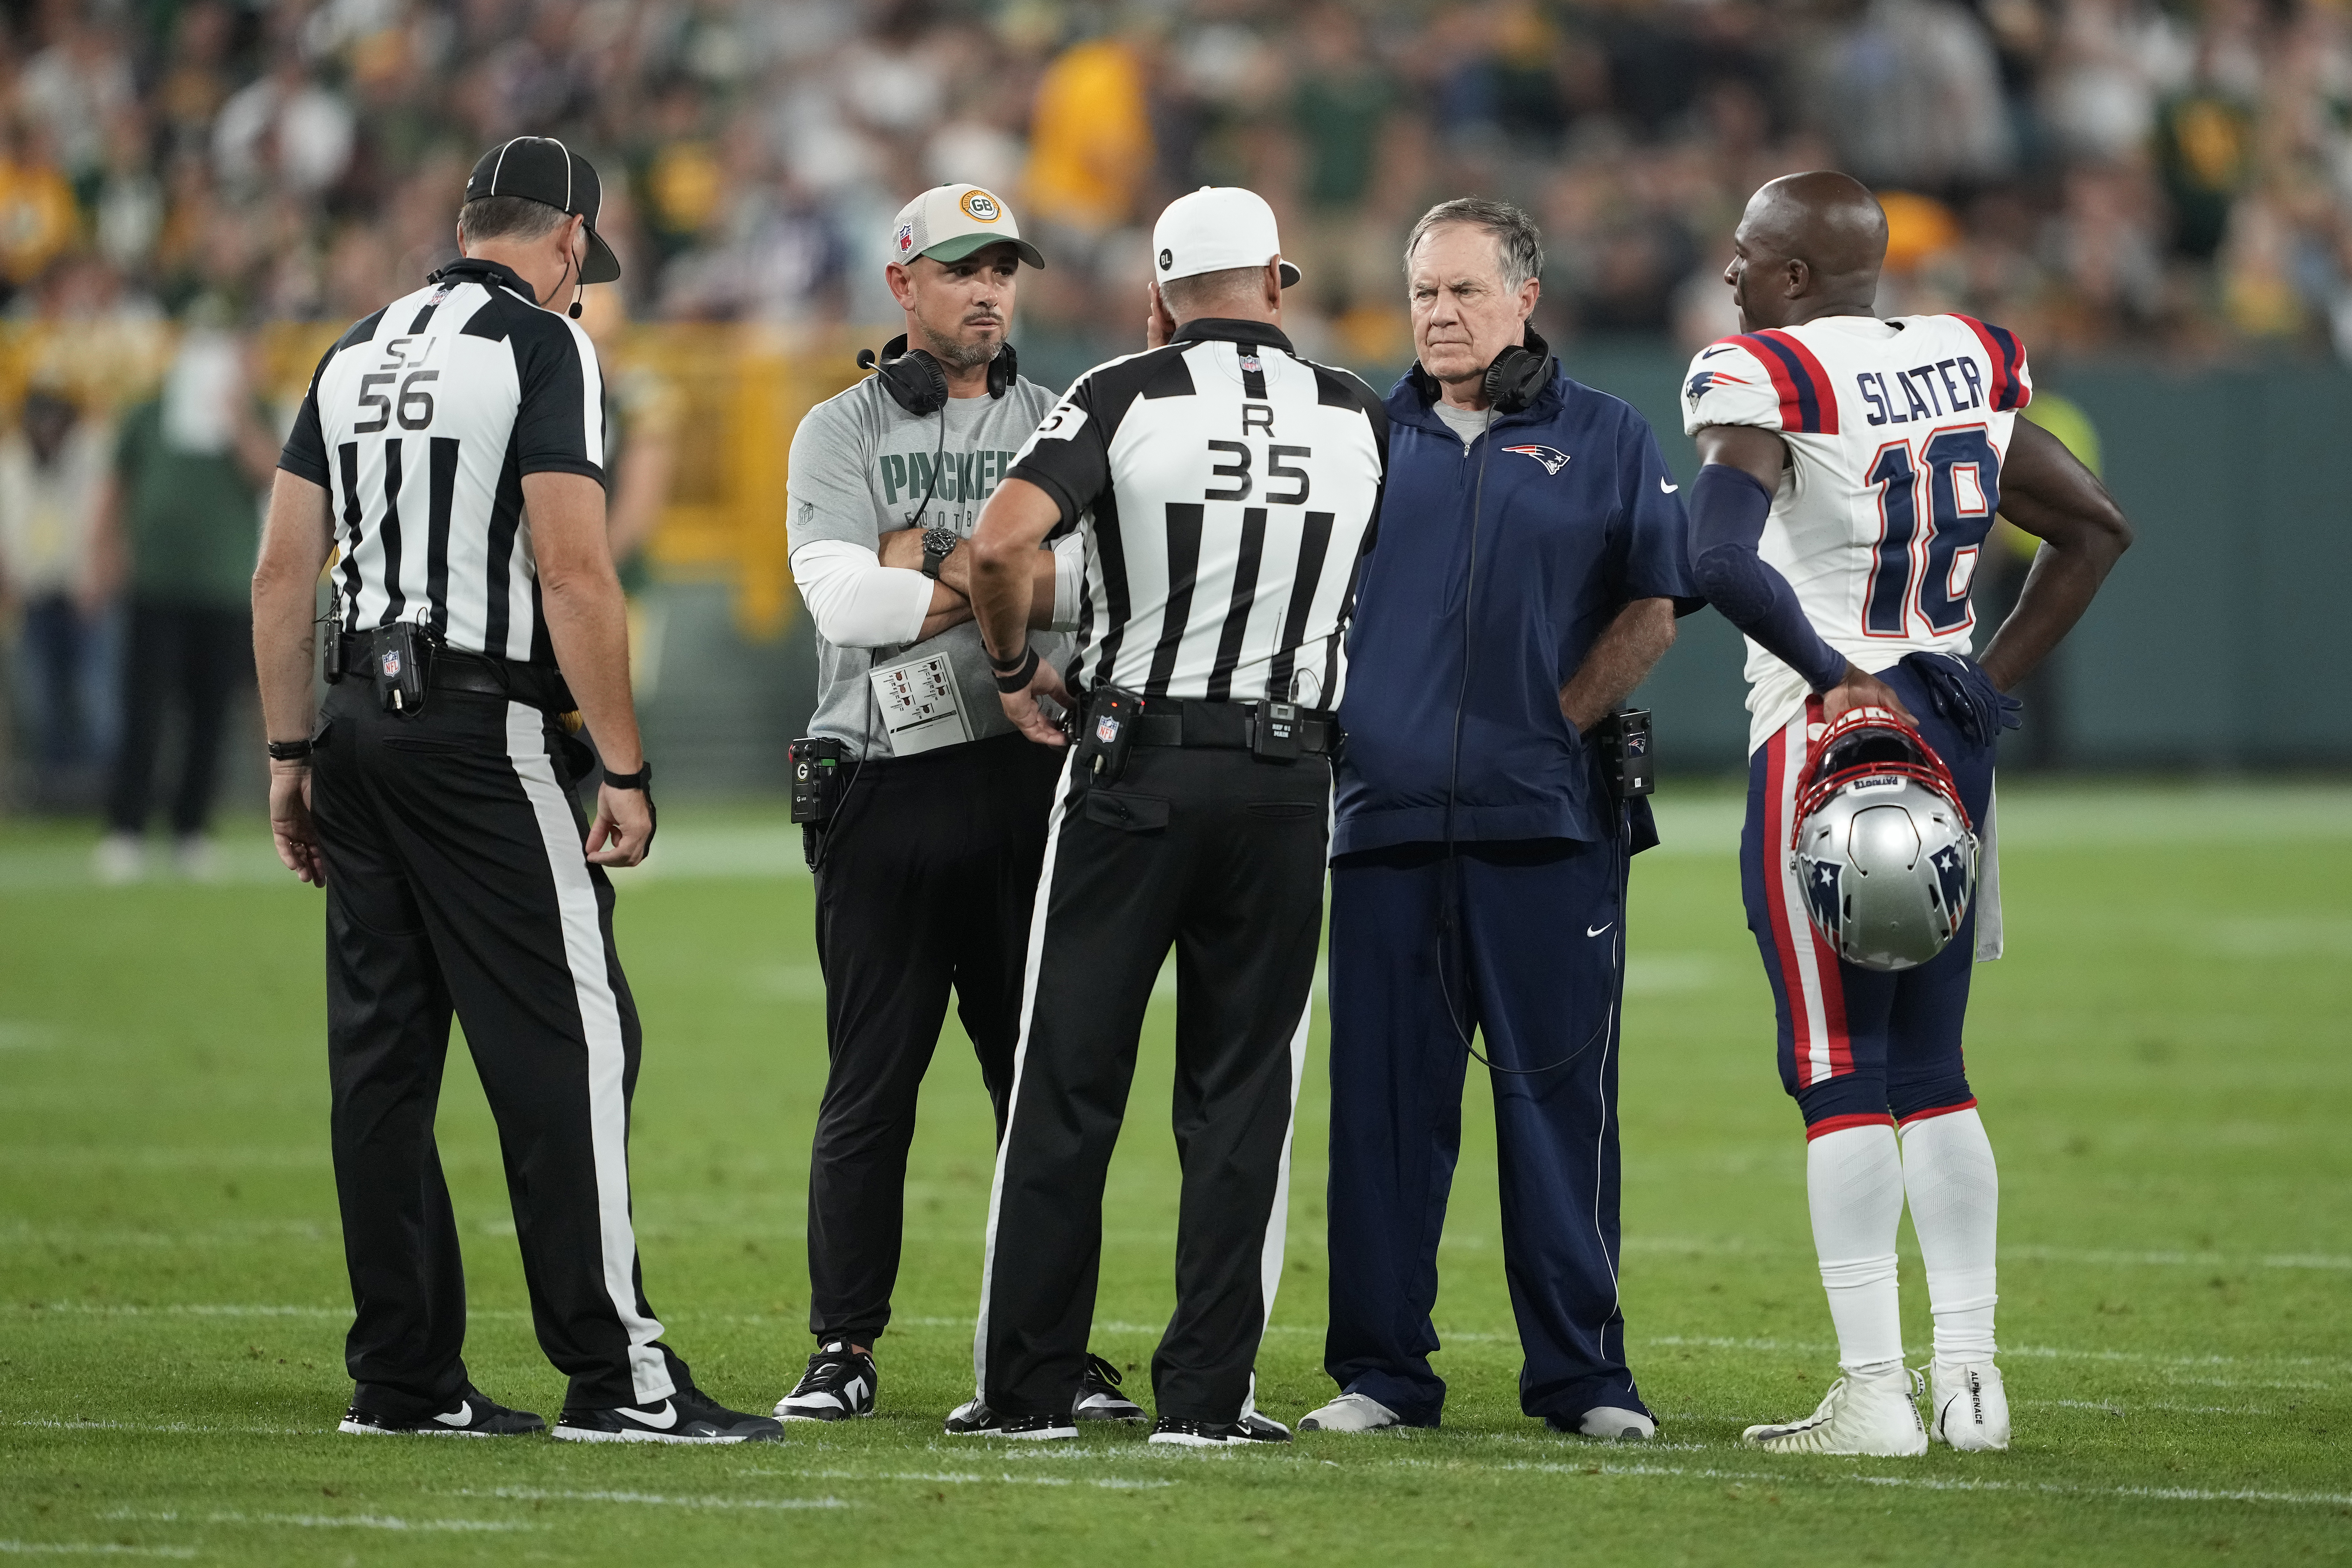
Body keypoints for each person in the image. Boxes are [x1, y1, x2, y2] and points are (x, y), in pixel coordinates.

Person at [250, 136, 780, 1445]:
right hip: (479, 733)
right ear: (567, 242)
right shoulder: (546, 348)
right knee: (577, 1040)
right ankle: (618, 1375)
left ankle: (403, 1375)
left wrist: (288, 754)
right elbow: (573, 567)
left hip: (358, 727)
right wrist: (626, 761)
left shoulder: (354, 345)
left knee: (382, 1061)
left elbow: (280, 571)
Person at [1680, 171, 2130, 1455]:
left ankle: (1874, 1391)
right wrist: (1982, 686)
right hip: (1943, 730)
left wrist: (1837, 678)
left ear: (1792, 277)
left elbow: (1712, 558)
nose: (1727, 273)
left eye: (1745, 255)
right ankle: (1970, 1384)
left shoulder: (1766, 372)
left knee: (1834, 1070)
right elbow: (2093, 529)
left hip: (1826, 737)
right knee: (1931, 1069)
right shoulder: (1964, 355)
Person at [952, 185, 1386, 1447]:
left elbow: (997, 546)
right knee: (1242, 1096)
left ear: (1156, 296)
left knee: (1066, 1080)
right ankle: (1206, 1398)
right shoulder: (1357, 410)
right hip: (1286, 775)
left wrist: (1016, 667)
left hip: (1134, 768)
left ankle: (1030, 1390)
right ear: (1275, 286)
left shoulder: (1123, 391)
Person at [1302, 198, 1700, 1443]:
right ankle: (1379, 1372)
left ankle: (1581, 1376)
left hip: (1545, 828)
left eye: (1464, 289)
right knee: (1378, 1112)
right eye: (1422, 290)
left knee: (1556, 1104)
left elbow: (1653, 599)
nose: (1437, 311)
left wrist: (1553, 721)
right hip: (1381, 827)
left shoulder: (1607, 435)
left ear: (1524, 296)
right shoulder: (1358, 438)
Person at [768, 183, 1138, 1426]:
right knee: (870, 1083)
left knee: (1040, 1082)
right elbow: (844, 605)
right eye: (961, 269)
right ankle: (841, 1344)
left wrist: (922, 555)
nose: (987, 291)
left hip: (1031, 777)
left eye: (1004, 269)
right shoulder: (836, 427)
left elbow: (1100, 592)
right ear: (903, 287)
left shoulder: (1065, 416)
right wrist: (1000, 573)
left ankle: (1054, 1349)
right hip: (878, 781)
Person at [88, 326, 275, 881]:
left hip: (222, 588)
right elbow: (114, 489)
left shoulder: (255, 410)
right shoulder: (147, 414)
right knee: (143, 710)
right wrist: (101, 557)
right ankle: (126, 827)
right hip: (156, 584)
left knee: (209, 715)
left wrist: (236, 417)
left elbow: (271, 475)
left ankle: (190, 827)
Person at [0, 385, 111, 809]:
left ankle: (100, 792)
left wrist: (97, 577)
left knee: (94, 698)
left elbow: (101, 519)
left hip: (83, 594)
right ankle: (52, 797)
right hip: (33, 595)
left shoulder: (88, 455)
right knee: (40, 699)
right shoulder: (12, 461)